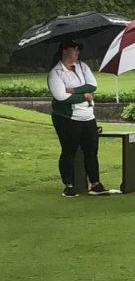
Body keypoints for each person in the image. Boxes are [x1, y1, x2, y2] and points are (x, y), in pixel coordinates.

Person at [48, 40, 109, 197]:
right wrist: (84, 96)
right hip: (67, 118)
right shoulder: (56, 73)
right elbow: (61, 96)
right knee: (69, 150)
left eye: (77, 50)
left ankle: (95, 183)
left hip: (88, 116)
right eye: (73, 50)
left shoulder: (82, 66)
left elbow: (92, 85)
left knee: (91, 151)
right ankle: (69, 184)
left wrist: (74, 91)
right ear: (64, 51)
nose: (76, 53)